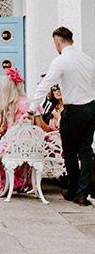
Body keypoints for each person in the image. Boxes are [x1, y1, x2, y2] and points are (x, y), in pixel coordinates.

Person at [31, 26, 95, 206]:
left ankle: (73, 190)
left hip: (73, 110)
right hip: (91, 107)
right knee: (86, 151)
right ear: (72, 40)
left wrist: (31, 107)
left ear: (57, 42)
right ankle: (82, 194)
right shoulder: (87, 59)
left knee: (70, 153)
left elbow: (45, 85)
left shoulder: (61, 61)